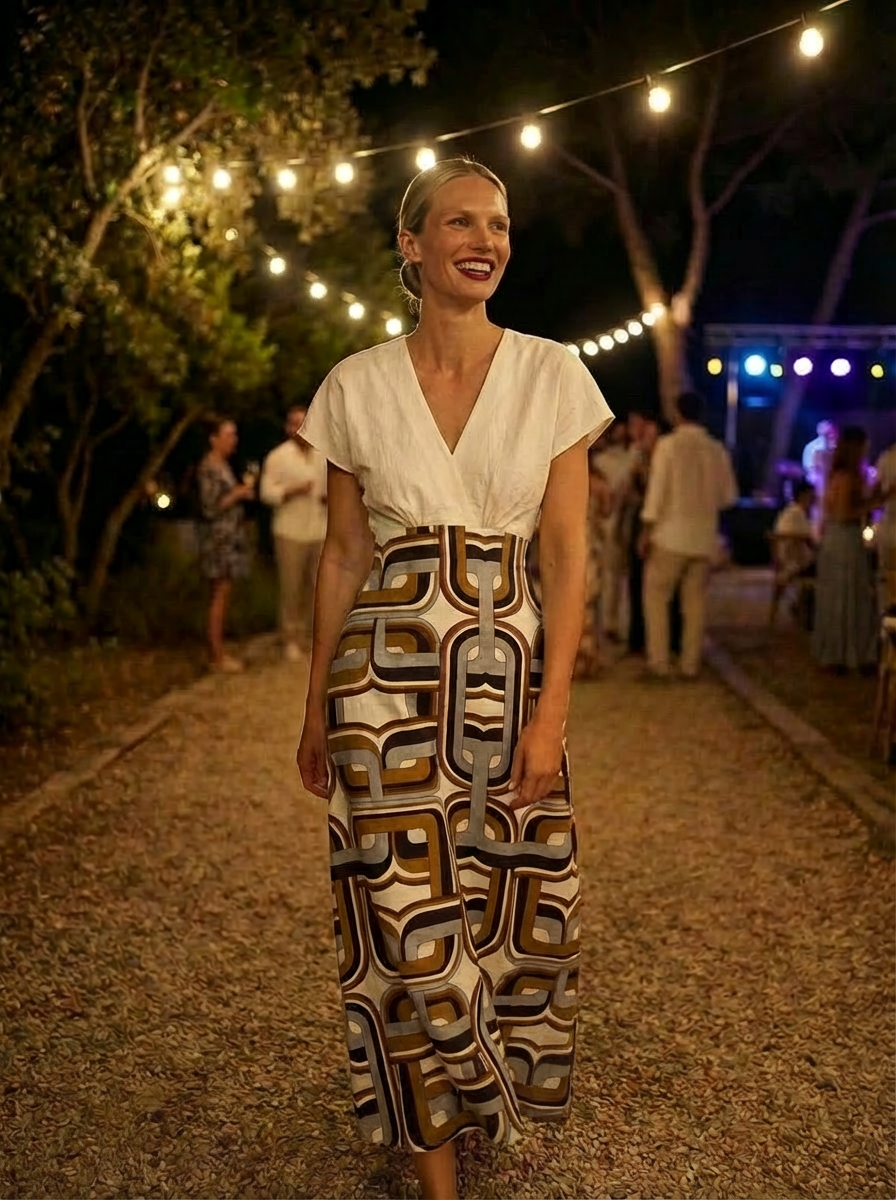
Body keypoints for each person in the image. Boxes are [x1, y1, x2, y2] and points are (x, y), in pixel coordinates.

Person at [296, 158, 612, 1200]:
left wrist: (551, 714)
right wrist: (315, 708)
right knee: (402, 921)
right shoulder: (354, 384)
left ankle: (474, 1093)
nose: (485, 242)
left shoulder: (553, 375)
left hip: (505, 681)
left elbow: (565, 554)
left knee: (509, 909)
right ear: (412, 243)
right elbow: (342, 553)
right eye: (461, 223)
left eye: (499, 226)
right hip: (378, 692)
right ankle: (437, 1165)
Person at [640, 391, 738, 680]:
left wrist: (646, 529)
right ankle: (690, 663)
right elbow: (728, 496)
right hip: (703, 536)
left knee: (657, 598)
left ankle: (659, 662)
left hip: (669, 535)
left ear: (677, 413)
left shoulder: (668, 446)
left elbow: (657, 493)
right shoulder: (716, 449)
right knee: (695, 604)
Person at [260, 406, 328, 661]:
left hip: (318, 529)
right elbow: (266, 493)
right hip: (289, 532)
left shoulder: (322, 455)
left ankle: (312, 637)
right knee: (291, 588)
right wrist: (291, 491)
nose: (302, 429)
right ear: (289, 428)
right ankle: (289, 638)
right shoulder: (278, 457)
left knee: (317, 588)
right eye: (296, 424)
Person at [811, 426, 877, 671]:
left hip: (838, 539)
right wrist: (876, 502)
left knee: (841, 595)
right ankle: (844, 652)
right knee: (847, 594)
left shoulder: (837, 475)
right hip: (844, 539)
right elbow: (843, 514)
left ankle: (838, 650)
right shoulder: (846, 477)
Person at [197, 416, 255, 672]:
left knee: (223, 594)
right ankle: (216, 655)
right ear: (214, 438)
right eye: (229, 435)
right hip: (219, 540)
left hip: (230, 539)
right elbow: (211, 506)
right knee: (218, 595)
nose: (234, 440)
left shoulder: (223, 465)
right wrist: (238, 493)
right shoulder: (209, 467)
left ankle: (218, 650)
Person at [623, 415, 682, 658]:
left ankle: (667, 642)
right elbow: (628, 492)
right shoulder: (640, 461)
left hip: (658, 529)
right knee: (637, 584)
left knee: (664, 591)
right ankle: (639, 638)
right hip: (640, 524)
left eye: (650, 435)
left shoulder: (667, 463)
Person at [593, 420, 636, 641]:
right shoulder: (606, 462)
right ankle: (607, 623)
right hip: (605, 529)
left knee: (612, 579)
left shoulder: (607, 462)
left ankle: (608, 623)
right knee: (608, 579)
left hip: (612, 527)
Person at [574, 453, 613, 678]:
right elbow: (608, 510)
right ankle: (588, 655)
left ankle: (581, 656)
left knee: (577, 601)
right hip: (592, 544)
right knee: (589, 603)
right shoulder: (598, 484)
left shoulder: (565, 481)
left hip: (575, 543)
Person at [772, 479, 818, 582]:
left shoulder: (790, 511)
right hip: (794, 561)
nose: (815, 500)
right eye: (812, 496)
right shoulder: (797, 513)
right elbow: (808, 540)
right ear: (804, 496)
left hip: (785, 559)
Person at [873, 439, 896, 610]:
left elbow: (876, 493)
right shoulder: (887, 458)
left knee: (888, 572)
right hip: (890, 522)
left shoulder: (886, 458)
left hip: (888, 523)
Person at [802, 420, 837, 526]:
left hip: (832, 489)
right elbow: (809, 469)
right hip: (818, 487)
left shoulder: (836, 448)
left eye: (831, 432)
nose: (830, 435)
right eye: (827, 433)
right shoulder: (812, 448)